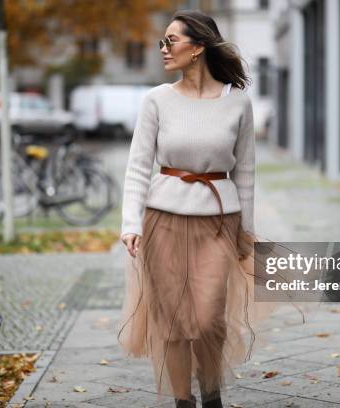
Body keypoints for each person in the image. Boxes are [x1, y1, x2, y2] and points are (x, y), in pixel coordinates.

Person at [117, 9, 287, 408]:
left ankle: (211, 395)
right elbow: (138, 167)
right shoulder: (155, 100)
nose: (163, 48)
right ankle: (183, 401)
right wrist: (130, 224)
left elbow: (245, 173)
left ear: (198, 47)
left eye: (170, 40)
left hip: (218, 221)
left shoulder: (238, 103)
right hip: (163, 220)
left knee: (209, 318)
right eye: (163, 41)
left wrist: (246, 228)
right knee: (173, 321)